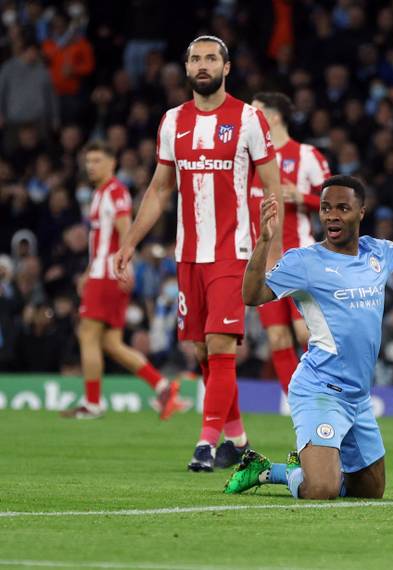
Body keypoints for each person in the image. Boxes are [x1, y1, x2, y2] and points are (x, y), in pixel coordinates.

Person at [113, 36, 283, 472]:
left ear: (227, 68)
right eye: (195, 59)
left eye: (211, 58)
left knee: (219, 344)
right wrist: (129, 242)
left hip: (234, 252)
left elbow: (272, 185)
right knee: (204, 354)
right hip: (188, 255)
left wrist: (273, 250)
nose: (203, 65)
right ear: (186, 68)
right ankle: (238, 440)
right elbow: (160, 189)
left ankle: (205, 444)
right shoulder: (172, 121)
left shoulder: (248, 119)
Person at [225, 161, 393, 500]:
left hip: (359, 397)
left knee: (369, 492)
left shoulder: (376, 253)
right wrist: (263, 241)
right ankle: (267, 471)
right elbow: (251, 296)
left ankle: (306, 462)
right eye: (325, 208)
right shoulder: (304, 263)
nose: (331, 215)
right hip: (320, 389)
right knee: (321, 489)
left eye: (342, 208)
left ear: (361, 212)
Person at [60, 141, 180, 420]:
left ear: (112, 163)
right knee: (111, 343)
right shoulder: (101, 193)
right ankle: (162, 387)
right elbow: (102, 241)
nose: (91, 166)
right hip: (101, 273)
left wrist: (124, 266)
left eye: (97, 160)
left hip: (108, 275)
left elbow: (125, 229)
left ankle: (92, 403)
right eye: (88, 161)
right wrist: (89, 272)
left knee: (87, 334)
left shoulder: (115, 192)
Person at [248, 91, 331, 393]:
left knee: (305, 335)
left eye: (256, 113)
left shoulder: (307, 155)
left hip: (300, 258)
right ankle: (296, 404)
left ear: (274, 117)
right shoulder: (250, 161)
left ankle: (326, 396)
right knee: (277, 339)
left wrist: (301, 197)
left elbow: (335, 201)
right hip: (264, 263)